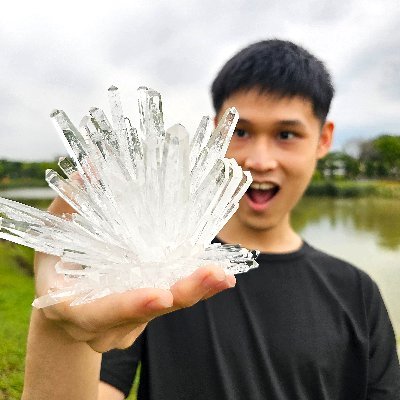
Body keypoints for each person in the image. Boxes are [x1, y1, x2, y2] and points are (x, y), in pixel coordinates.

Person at [21, 39, 400, 400]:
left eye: (286, 134)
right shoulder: (150, 275)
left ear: (323, 139)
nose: (260, 160)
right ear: (215, 132)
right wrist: (61, 327)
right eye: (241, 131)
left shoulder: (357, 292)